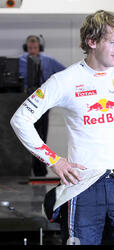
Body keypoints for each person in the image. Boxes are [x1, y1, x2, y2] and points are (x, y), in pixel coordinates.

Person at [10, 10, 114, 245]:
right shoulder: (64, 80)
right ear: (92, 42)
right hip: (82, 185)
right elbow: (20, 120)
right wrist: (54, 161)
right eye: (113, 42)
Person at [19, 35, 65, 177]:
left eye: (35, 47)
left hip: (44, 103)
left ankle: (40, 171)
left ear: (40, 48)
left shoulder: (49, 61)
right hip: (25, 102)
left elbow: (64, 74)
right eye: (30, 47)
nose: (33, 50)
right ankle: (27, 170)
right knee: (26, 135)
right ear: (26, 47)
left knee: (41, 135)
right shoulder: (20, 61)